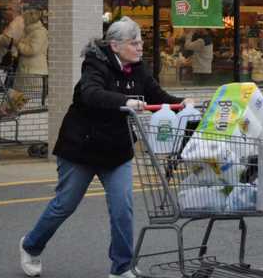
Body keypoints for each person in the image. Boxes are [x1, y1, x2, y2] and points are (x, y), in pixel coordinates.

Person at [19, 17, 193, 278]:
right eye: (134, 43)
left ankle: (121, 268)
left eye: (140, 42)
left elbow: (159, 97)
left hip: (116, 150)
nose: (140, 47)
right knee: (65, 204)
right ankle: (30, 245)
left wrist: (183, 102)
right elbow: (91, 93)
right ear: (115, 45)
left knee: (123, 207)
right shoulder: (95, 64)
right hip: (81, 148)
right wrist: (126, 101)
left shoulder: (139, 69)